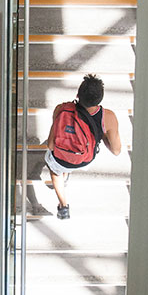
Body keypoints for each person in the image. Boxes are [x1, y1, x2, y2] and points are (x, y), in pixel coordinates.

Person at [45, 74, 121, 219]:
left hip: (60, 158)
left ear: (78, 94)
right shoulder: (108, 117)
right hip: (84, 159)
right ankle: (67, 172)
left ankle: (63, 207)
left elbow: (50, 144)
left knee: (56, 173)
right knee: (70, 160)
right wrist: (102, 136)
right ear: (100, 100)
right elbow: (116, 151)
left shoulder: (61, 109)